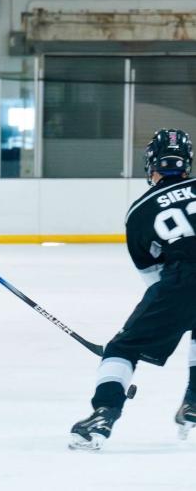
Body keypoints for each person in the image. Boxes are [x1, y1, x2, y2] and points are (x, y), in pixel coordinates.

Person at [69, 128, 196, 450]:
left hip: (182, 280)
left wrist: (172, 312)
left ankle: (104, 413)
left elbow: (153, 277)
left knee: (121, 349)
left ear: (151, 164)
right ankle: (194, 401)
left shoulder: (140, 210)